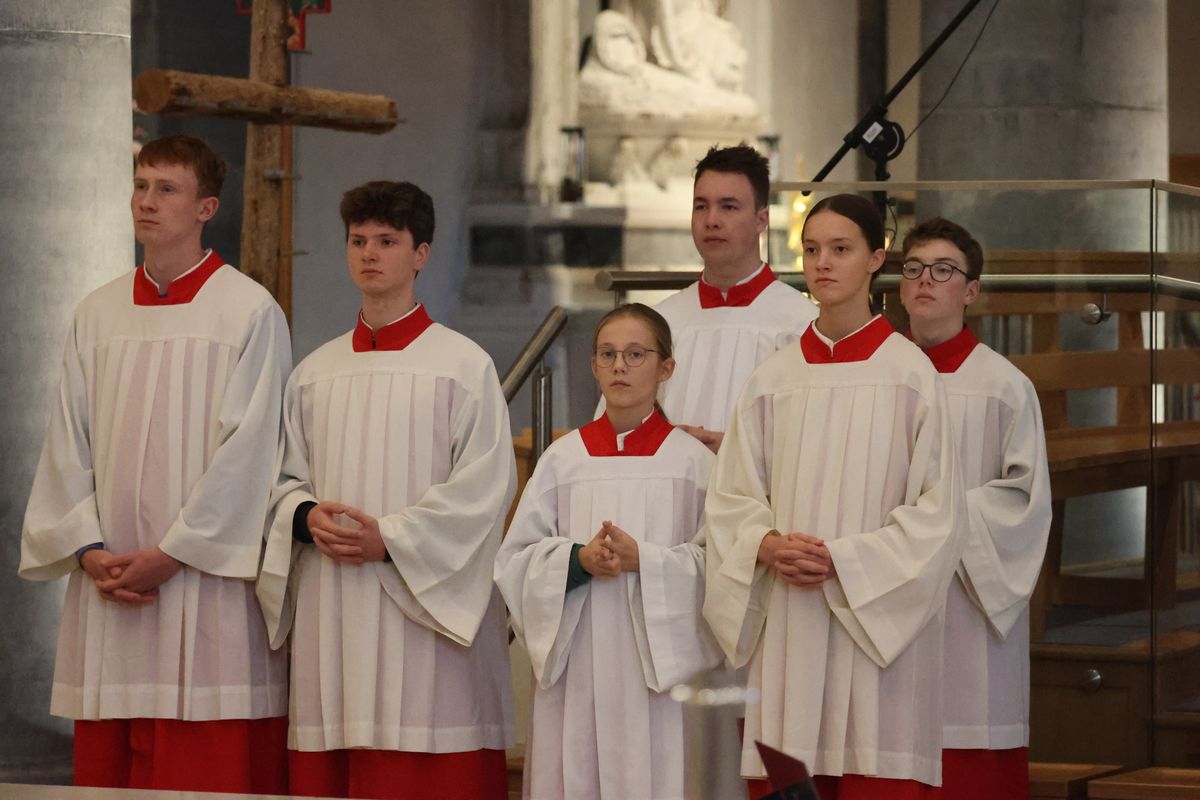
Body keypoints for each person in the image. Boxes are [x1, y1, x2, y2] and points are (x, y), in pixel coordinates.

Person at [19, 134, 292, 793]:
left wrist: (172, 553)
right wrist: (86, 548)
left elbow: (251, 454)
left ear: (206, 208)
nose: (146, 202)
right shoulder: (98, 311)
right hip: (110, 582)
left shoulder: (248, 310)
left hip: (204, 583)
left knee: (205, 763)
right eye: (141, 186)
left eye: (166, 189)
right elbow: (67, 441)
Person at [257, 180, 516, 800]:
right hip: (334, 600)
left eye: (387, 241)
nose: (369, 253)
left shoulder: (462, 365)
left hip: (423, 608)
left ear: (421, 254)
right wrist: (305, 515)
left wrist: (391, 538)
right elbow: (280, 480)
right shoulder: (314, 372)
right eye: (358, 240)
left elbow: (486, 489)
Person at [702, 193, 967, 799]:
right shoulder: (773, 378)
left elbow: (939, 516)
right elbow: (731, 495)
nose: (823, 263)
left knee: (873, 767)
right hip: (790, 624)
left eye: (841, 249)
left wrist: (842, 560)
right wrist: (765, 545)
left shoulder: (910, 375)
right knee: (790, 775)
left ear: (877, 259)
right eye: (812, 250)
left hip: (875, 631)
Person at [496, 303, 722, 800]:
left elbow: (723, 567)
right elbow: (516, 560)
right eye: (608, 354)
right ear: (594, 366)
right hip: (576, 669)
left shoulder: (693, 465)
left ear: (666, 368)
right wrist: (577, 561)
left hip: (658, 681)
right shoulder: (562, 460)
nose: (620, 366)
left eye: (636, 354)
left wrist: (648, 561)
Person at [899, 218, 1051, 800]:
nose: (925, 281)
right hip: (886, 593)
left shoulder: (1003, 386)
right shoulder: (878, 377)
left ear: (970, 291)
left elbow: (1024, 502)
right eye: (913, 269)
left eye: (943, 270)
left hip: (966, 600)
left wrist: (931, 518)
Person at [602, 143, 817, 453]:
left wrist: (736, 454)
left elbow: (815, 442)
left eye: (728, 206)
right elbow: (615, 430)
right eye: (701, 206)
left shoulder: (801, 325)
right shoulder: (661, 323)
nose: (711, 219)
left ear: (762, 219)